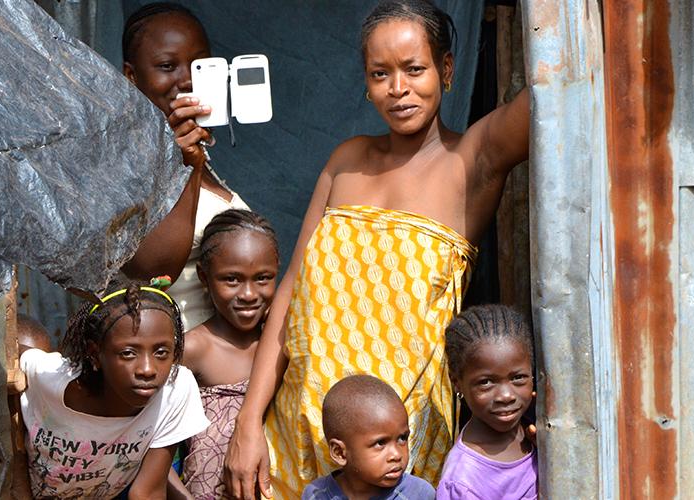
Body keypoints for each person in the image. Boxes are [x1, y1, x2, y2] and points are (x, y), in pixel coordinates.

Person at [224, 0, 533, 497]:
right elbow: (289, 295)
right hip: (299, 426)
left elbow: (559, 84)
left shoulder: (472, 158)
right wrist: (248, 420)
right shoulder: (347, 161)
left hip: (396, 447)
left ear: (446, 69)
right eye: (379, 73)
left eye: (415, 69)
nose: (398, 89)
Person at [121, 2, 252, 330]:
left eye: (199, 66)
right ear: (131, 76)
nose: (187, 80)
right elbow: (153, 275)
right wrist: (186, 168)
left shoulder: (200, 154)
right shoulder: (122, 164)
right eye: (167, 66)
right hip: (172, 368)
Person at [16, 281, 208, 499]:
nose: (147, 369)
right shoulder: (51, 377)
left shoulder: (175, 390)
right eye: (128, 353)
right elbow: (17, 351)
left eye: (161, 352)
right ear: (94, 353)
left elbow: (147, 492)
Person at [172, 209, 281, 498]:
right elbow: (148, 438)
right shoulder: (195, 349)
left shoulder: (282, 343)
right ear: (204, 278)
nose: (248, 294)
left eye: (263, 278)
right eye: (232, 279)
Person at [437, 305, 538, 500]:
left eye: (518, 378)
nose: (506, 395)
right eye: (486, 382)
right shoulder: (463, 481)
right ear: (457, 382)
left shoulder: (536, 428)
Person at [302, 374, 436, 500]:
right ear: (340, 453)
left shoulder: (418, 494)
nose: (396, 455)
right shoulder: (317, 495)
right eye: (380, 443)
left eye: (402, 438)